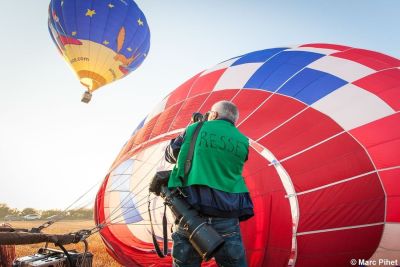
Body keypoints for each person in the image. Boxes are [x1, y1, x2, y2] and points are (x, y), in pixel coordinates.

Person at [165, 100, 254, 267]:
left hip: (191, 213)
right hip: (227, 215)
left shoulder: (195, 129)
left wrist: (193, 125)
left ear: (213, 114)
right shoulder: (243, 141)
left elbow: (170, 155)